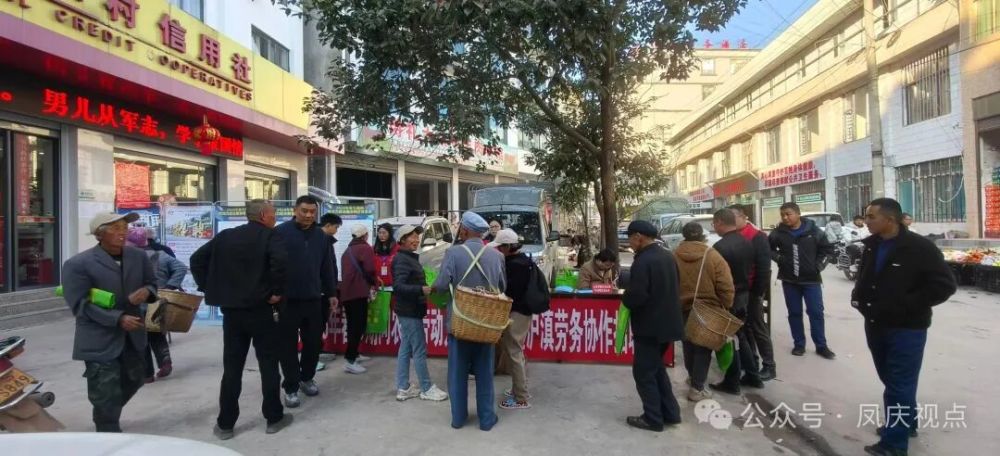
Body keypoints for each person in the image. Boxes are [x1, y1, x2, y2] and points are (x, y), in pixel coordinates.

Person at [853, 198, 956, 456]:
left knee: (899, 383)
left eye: (871, 216)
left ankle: (894, 445)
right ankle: (906, 423)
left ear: (890, 220)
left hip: (907, 327)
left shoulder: (919, 248)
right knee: (890, 378)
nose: (866, 221)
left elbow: (945, 285)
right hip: (876, 323)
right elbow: (866, 276)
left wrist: (908, 304)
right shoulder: (872, 245)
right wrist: (859, 299)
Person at [190, 200, 293, 439]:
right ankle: (273, 418)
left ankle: (226, 424)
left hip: (232, 312)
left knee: (232, 367)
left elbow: (197, 260)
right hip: (263, 310)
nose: (275, 217)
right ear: (264, 215)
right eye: (273, 213)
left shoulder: (226, 236)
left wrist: (209, 287)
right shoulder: (271, 236)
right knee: (268, 364)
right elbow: (280, 264)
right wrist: (276, 292)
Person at [61, 212, 158, 433]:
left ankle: (107, 412)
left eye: (124, 227)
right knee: (105, 389)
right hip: (99, 337)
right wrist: (117, 318)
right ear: (99, 234)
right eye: (115, 228)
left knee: (135, 379)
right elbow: (79, 305)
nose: (122, 232)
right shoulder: (78, 264)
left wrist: (147, 291)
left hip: (133, 335)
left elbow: (152, 283)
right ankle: (107, 428)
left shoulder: (138, 256)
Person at [431, 211, 507, 431]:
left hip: (460, 323)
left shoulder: (453, 253)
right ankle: (486, 419)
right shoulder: (496, 256)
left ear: (464, 230)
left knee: (457, 373)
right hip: (486, 324)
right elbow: (502, 287)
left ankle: (458, 418)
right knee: (485, 374)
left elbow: (441, 285)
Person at [274, 196, 337, 407]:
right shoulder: (280, 233)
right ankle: (291, 387)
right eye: (304, 211)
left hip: (313, 299)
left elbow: (327, 267)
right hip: (287, 301)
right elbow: (271, 265)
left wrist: (331, 293)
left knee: (313, 343)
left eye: (312, 211)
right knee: (287, 346)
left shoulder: (321, 236)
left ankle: (307, 377)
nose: (309, 215)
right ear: (295, 210)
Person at [621, 220, 683, 432]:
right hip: (668, 324)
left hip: (650, 326)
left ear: (638, 237)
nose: (630, 244)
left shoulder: (643, 261)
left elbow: (637, 295)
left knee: (644, 373)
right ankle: (670, 413)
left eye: (630, 239)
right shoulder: (667, 255)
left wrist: (626, 298)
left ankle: (653, 418)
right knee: (656, 369)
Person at [673, 222, 734, 402]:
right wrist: (726, 304)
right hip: (707, 308)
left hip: (681, 308)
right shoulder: (712, 256)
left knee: (688, 345)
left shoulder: (674, 255)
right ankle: (697, 388)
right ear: (702, 235)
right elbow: (725, 285)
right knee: (703, 348)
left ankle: (693, 378)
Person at [769, 202, 837, 359]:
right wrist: (779, 258)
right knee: (794, 313)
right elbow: (768, 248)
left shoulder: (814, 231)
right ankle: (799, 344)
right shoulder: (778, 233)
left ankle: (821, 346)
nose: (785, 217)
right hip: (789, 280)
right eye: (782, 215)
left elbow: (827, 250)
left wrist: (819, 266)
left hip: (811, 280)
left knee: (816, 312)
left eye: (788, 214)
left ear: (798, 214)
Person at [391, 224, 449, 402]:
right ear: (402, 240)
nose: (416, 239)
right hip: (409, 310)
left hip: (411, 309)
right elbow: (398, 286)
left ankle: (403, 387)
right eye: (412, 236)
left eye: (417, 236)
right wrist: (420, 289)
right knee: (419, 350)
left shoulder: (409, 257)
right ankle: (426, 388)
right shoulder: (402, 259)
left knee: (406, 348)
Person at [710, 209, 763, 395]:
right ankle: (753, 375)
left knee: (728, 339)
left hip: (728, 298)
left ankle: (732, 382)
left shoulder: (720, 247)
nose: (714, 227)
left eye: (714, 224)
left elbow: (717, 278)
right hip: (743, 295)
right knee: (740, 335)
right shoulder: (746, 242)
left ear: (719, 222)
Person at [126, 228, 186, 382]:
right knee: (157, 334)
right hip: (157, 301)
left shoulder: (129, 258)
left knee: (141, 339)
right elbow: (181, 267)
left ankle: (147, 374)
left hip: (136, 305)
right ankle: (165, 362)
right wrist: (169, 287)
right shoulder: (161, 255)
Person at [728, 205, 776, 381]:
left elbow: (764, 268)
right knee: (744, 328)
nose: (731, 221)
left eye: (733, 217)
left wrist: (757, 293)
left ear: (744, 217)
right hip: (738, 290)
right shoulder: (733, 236)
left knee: (757, 327)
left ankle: (769, 365)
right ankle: (751, 363)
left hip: (752, 290)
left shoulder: (757, 236)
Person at [491, 229, 534, 410]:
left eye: (501, 247)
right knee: (517, 351)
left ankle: (521, 398)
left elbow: (508, 292)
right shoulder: (524, 260)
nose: (499, 250)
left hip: (516, 313)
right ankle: (519, 388)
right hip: (523, 312)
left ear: (509, 247)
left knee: (514, 352)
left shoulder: (514, 265)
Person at [341, 224, 377, 374]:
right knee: (358, 326)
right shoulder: (365, 248)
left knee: (352, 325)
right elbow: (370, 269)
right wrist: (374, 283)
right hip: (358, 292)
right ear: (365, 235)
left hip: (347, 293)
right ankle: (350, 360)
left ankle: (354, 354)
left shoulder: (348, 250)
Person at [318, 213, 343, 365]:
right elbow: (325, 268)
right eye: (336, 227)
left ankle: (318, 349)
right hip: (320, 291)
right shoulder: (320, 241)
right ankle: (315, 352)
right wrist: (329, 290)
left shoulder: (325, 240)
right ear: (327, 225)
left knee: (320, 322)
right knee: (317, 322)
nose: (336, 230)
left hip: (324, 289)